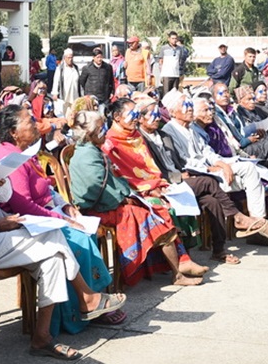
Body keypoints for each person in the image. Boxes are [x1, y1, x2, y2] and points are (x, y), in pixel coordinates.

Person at [0, 128, 125, 341]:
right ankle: (87, 297)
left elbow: (3, 196)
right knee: (54, 235)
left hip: (0, 234)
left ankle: (42, 337)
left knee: (53, 260)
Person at [71, 107, 208, 285]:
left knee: (159, 207)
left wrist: (129, 194)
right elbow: (97, 189)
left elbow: (114, 180)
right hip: (99, 209)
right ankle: (178, 272)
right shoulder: (86, 156)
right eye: (100, 128)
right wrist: (125, 197)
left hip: (113, 202)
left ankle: (181, 263)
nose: (104, 131)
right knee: (156, 217)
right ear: (90, 133)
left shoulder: (92, 150)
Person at [123, 97, 243, 264]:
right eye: (152, 114)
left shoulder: (164, 135)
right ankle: (236, 215)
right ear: (141, 118)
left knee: (212, 201)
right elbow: (153, 171)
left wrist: (185, 173)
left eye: (158, 114)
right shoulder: (141, 140)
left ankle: (219, 250)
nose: (157, 117)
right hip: (166, 183)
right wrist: (179, 177)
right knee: (208, 182)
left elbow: (178, 162)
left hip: (180, 179)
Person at [161, 90, 268, 240]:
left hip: (213, 169)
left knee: (250, 170)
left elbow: (208, 152)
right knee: (247, 173)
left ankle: (257, 221)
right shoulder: (169, 131)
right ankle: (256, 225)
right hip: (200, 173)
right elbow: (186, 162)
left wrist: (222, 164)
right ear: (172, 111)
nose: (189, 108)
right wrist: (214, 168)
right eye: (185, 105)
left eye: (190, 104)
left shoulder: (190, 128)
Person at [51, 48, 81, 117]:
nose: (70, 59)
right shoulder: (60, 69)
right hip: (65, 95)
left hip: (74, 94)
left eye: (71, 57)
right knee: (65, 113)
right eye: (68, 58)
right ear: (64, 58)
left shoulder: (75, 68)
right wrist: (55, 93)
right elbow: (56, 81)